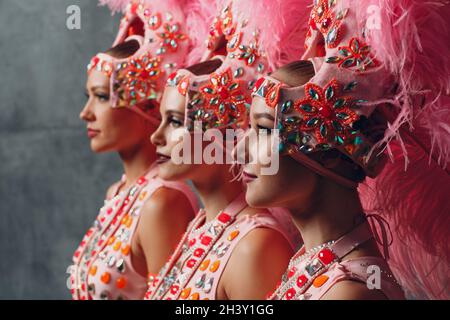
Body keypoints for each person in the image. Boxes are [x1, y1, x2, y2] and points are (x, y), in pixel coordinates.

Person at [234, 0, 449, 300]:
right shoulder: (314, 267)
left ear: (328, 149)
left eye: (264, 129)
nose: (240, 151)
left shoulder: (348, 292)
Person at [144, 0, 307, 300]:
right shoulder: (199, 227)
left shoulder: (255, 246)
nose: (156, 136)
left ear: (224, 130)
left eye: (176, 121)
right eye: (162, 119)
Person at [68, 0, 211, 300]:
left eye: (102, 97)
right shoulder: (117, 192)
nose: (86, 112)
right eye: (88, 96)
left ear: (147, 107)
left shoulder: (163, 202)